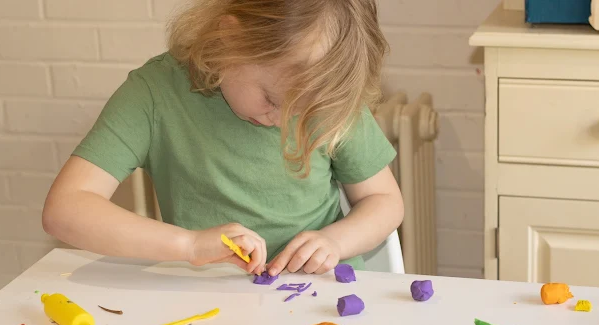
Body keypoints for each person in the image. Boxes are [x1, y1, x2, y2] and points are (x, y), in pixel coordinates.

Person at [42, 0, 404, 278]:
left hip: (322, 296)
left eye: (304, 111)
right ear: (230, 38)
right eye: (273, 100)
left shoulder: (329, 92)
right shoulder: (155, 94)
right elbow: (66, 209)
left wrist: (336, 240)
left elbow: (384, 200)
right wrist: (189, 245)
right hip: (208, 299)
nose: (282, 121)